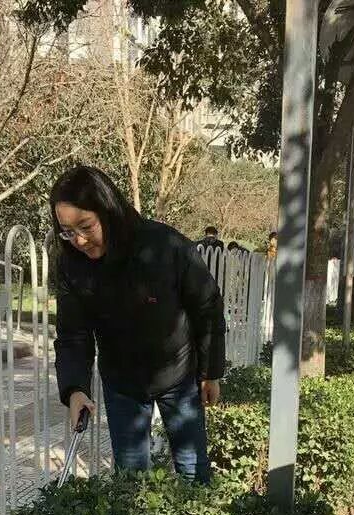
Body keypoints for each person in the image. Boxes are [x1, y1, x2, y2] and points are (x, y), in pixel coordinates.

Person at [51, 165, 226, 484]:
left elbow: (207, 305)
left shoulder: (165, 245)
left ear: (108, 211)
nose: (79, 240)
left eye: (86, 226)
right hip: (122, 382)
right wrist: (75, 389)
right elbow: (73, 333)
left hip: (178, 375)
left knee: (192, 470)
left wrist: (210, 372)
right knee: (131, 481)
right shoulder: (71, 265)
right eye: (67, 231)